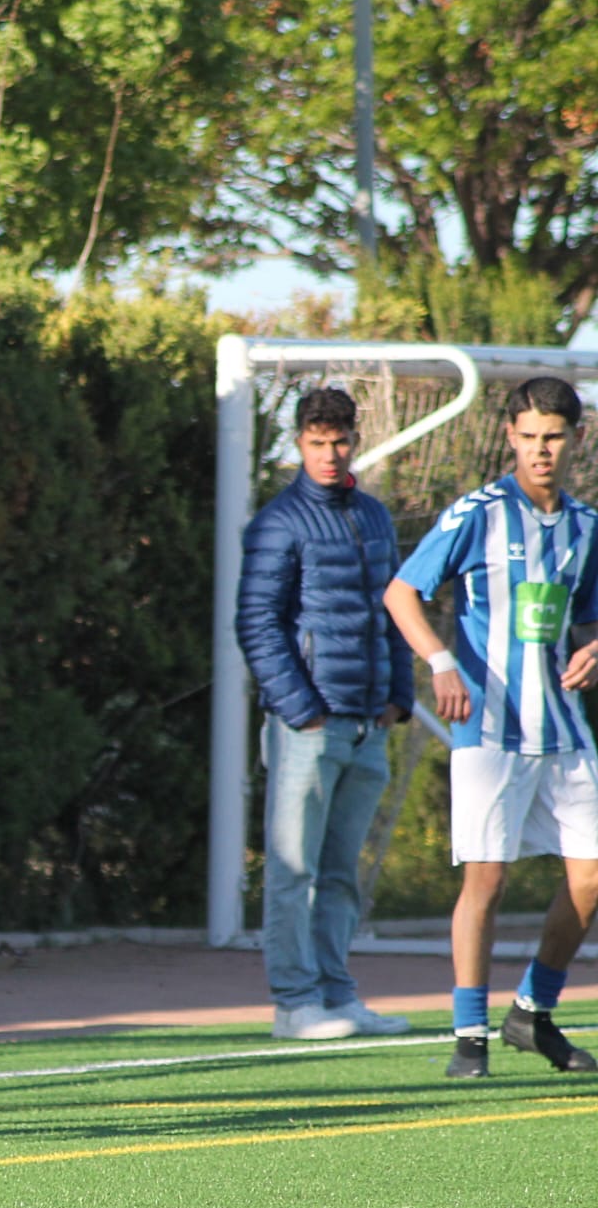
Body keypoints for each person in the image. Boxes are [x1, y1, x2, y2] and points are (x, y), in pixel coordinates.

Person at [384, 376, 598, 1079]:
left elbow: (588, 620)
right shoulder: (478, 514)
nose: (541, 450)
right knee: (488, 879)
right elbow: (401, 593)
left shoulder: (586, 527)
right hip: (489, 729)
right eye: (529, 436)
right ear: (510, 436)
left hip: (563, 730)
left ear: (577, 439)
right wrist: (441, 661)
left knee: (592, 877)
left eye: (554, 437)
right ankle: (469, 1034)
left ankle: (531, 1011)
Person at [235, 387, 414, 1041]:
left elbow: (394, 608)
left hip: (369, 724)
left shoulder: (374, 516)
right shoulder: (278, 522)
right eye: (317, 443)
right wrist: (302, 710)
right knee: (293, 871)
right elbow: (257, 623)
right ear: (299, 444)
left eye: (339, 442)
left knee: (341, 874)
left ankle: (338, 995)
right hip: (307, 728)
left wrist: (399, 696)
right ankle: (294, 1002)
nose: (330, 455)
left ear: (355, 440)